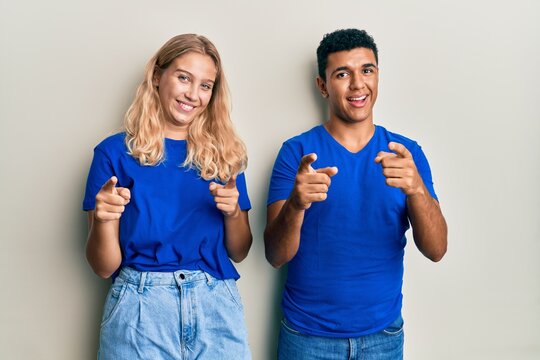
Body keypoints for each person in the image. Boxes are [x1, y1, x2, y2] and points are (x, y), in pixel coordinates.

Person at [264, 28, 448, 359]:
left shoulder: (407, 154)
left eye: (367, 70)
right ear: (323, 85)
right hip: (308, 338)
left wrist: (417, 188)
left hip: (383, 336)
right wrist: (296, 203)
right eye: (342, 74)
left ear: (378, 76)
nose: (357, 84)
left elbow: (436, 250)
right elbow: (275, 255)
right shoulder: (296, 152)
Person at [82, 34, 252, 359]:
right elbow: (103, 267)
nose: (193, 94)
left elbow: (240, 251)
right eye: (184, 77)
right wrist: (103, 220)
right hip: (140, 308)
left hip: (215, 304)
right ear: (158, 77)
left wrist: (233, 214)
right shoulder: (113, 154)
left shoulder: (224, 155)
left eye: (205, 85)